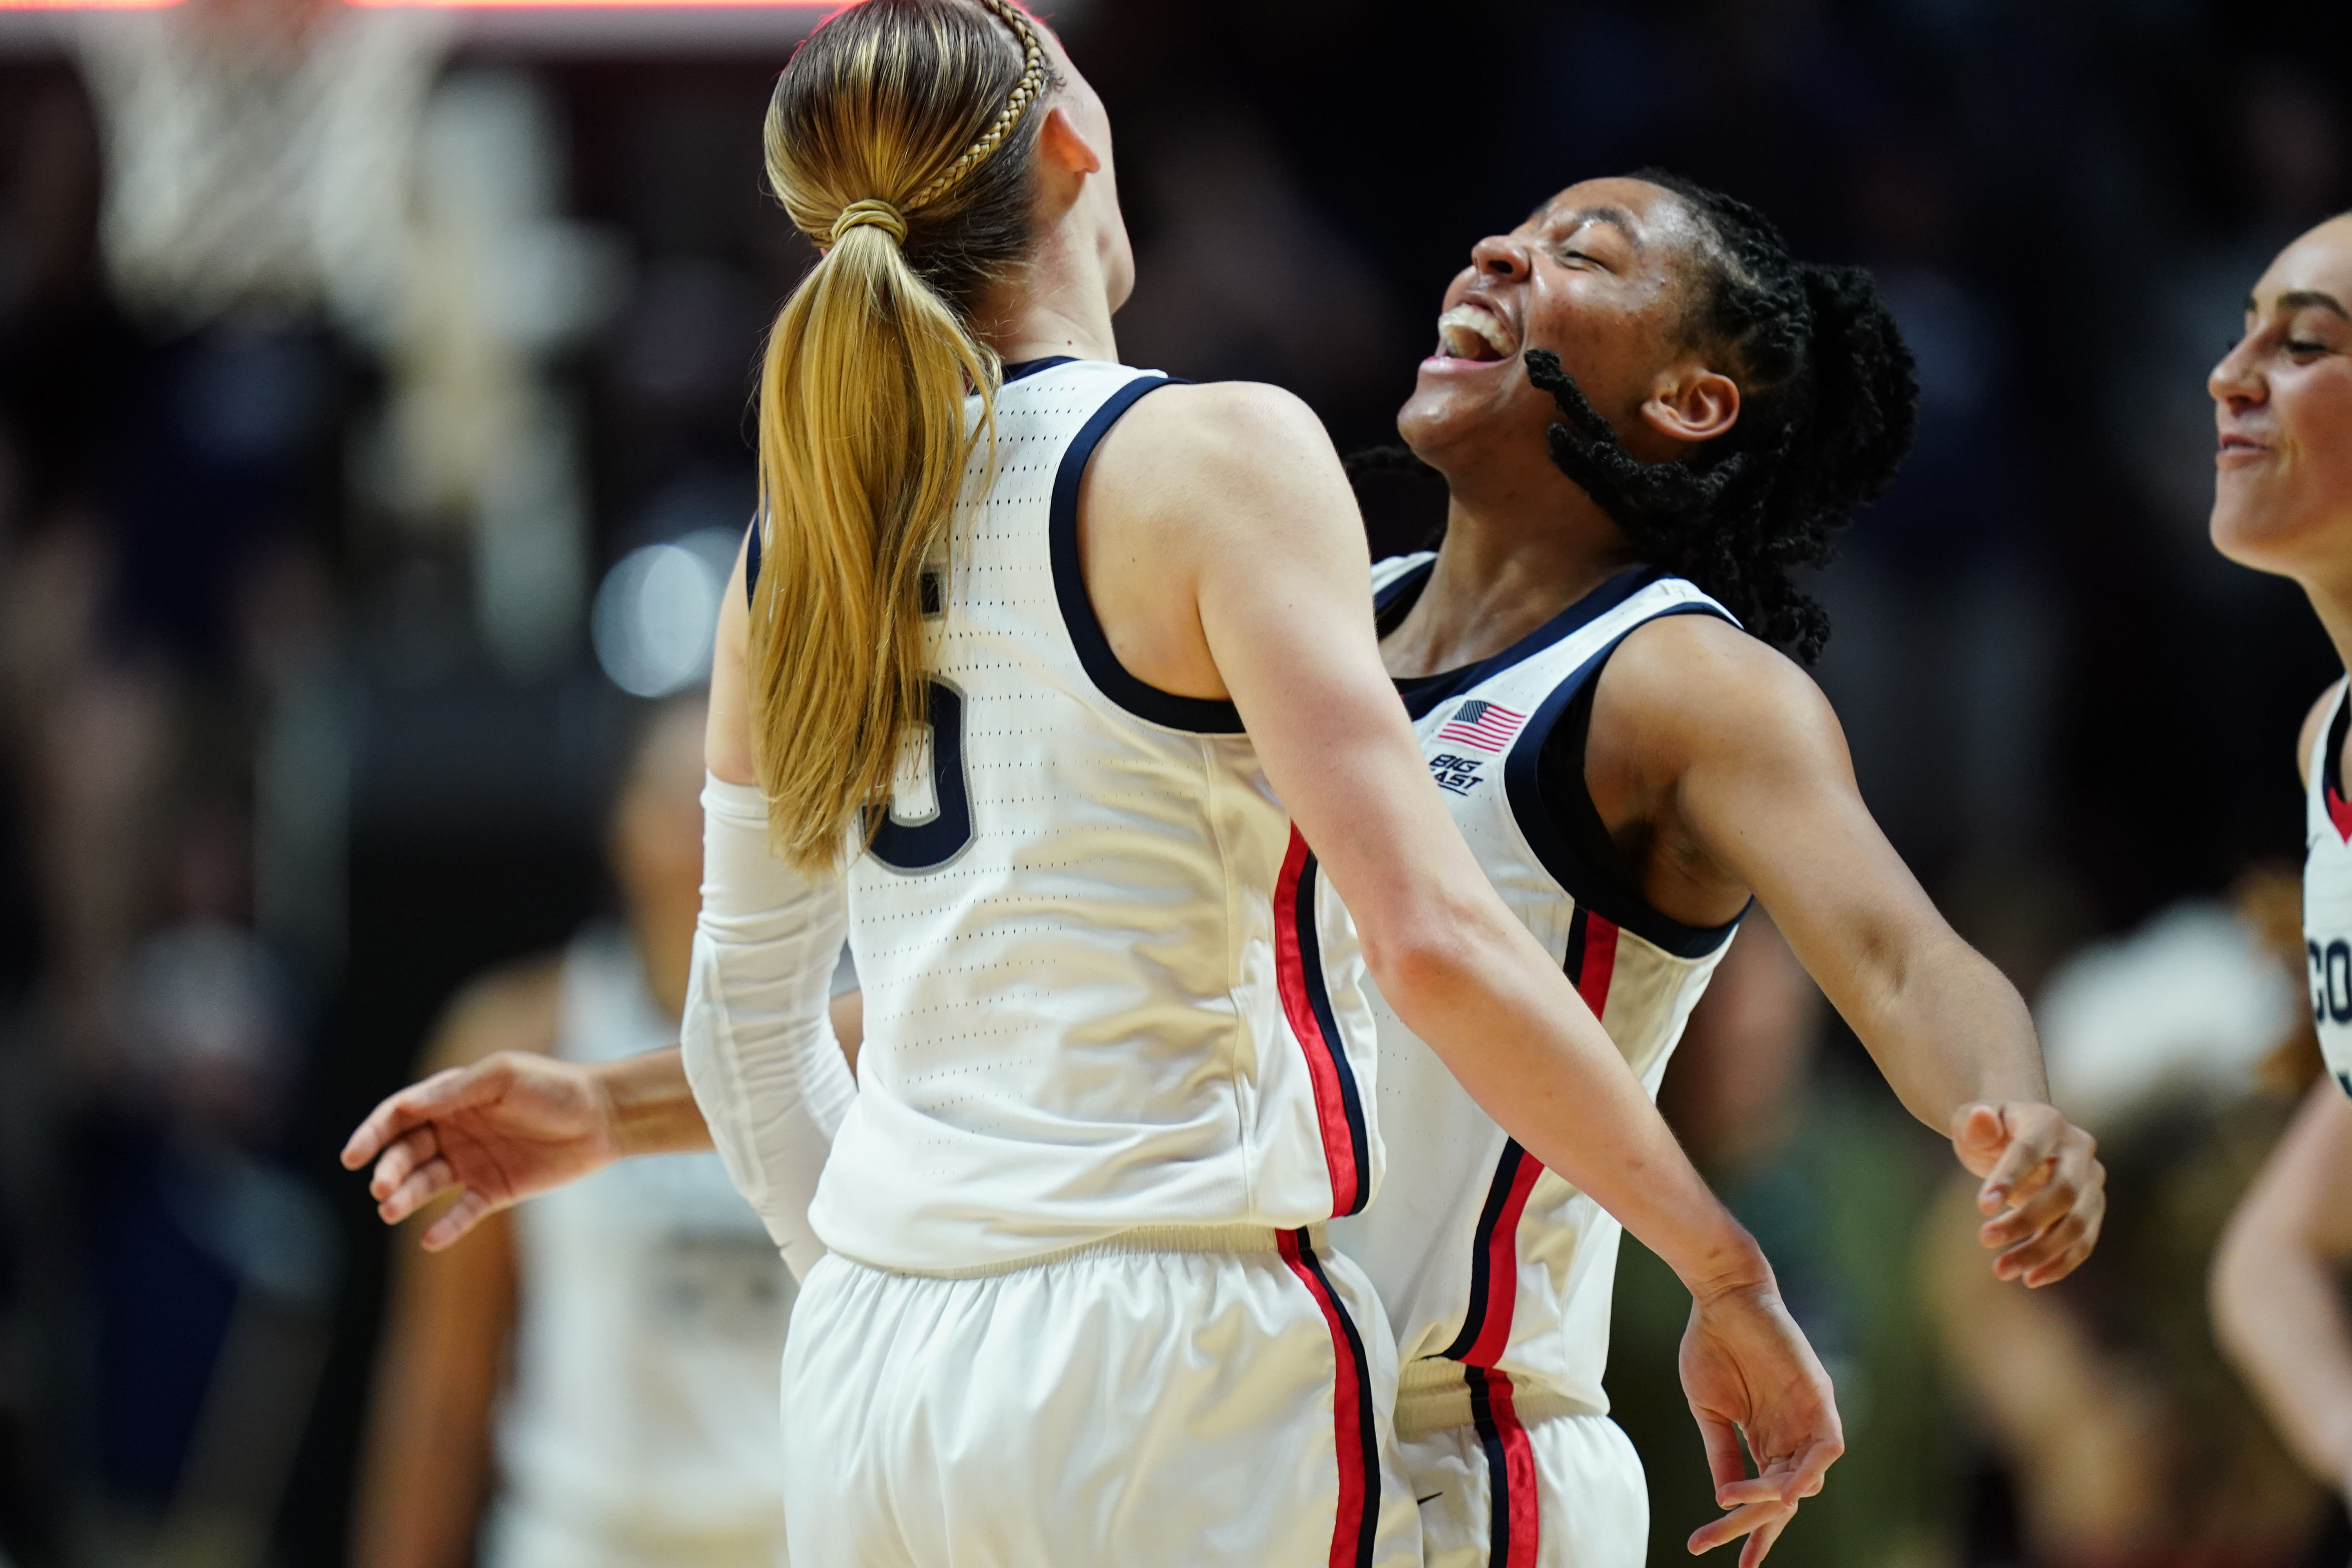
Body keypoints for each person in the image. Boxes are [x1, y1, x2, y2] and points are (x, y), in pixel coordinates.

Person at [345, 4, 1842, 1565]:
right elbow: (1435, 942)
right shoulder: (1219, 457)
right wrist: (1724, 1268)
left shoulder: (798, 536)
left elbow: (744, 1032)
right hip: (1169, 1347)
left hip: (873, 1380)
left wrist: (888, 1280)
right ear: (1074, 145)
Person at [1326, 172, 2106, 1568]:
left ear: (1688, 403)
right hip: (1225, 1402)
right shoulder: (1322, 626)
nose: (1498, 247)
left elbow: (1902, 958)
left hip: (1445, 1456)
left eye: (1583, 253)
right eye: (1511, 227)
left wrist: (2013, 1114)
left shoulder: (1679, 683)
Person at [350, 699, 800, 1568]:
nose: (705, 830)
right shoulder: (516, 1038)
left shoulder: (870, 1049)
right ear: (618, 826)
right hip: (580, 1538)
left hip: (795, 1538)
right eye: (677, 799)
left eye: (739, 794)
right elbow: (440, 1393)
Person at [2207, 209, 2352, 1515]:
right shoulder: (2333, 741)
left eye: (2304, 343)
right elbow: (2272, 1255)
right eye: (2246, 325)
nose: (2232, 371)